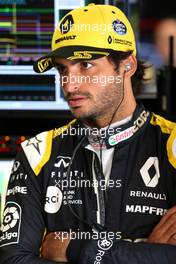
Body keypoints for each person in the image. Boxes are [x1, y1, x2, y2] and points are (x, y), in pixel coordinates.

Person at [0, 3, 176, 264]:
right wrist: (144, 254)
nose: (69, 85)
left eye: (85, 65)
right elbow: (13, 261)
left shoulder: (171, 145)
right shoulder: (37, 153)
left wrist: (74, 249)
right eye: (62, 69)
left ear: (127, 66)